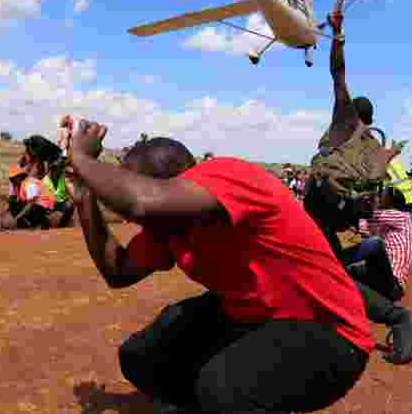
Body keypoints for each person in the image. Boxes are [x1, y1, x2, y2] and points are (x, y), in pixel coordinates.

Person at [69, 122, 371, 413]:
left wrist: (81, 158)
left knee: (224, 387)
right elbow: (118, 271)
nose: (130, 220)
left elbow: (140, 202)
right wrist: (85, 200)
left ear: (175, 184)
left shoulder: (228, 174)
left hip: (330, 337)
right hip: (253, 321)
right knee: (142, 357)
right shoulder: (168, 226)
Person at [304, 0, 412, 365]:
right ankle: (378, 305)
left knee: (325, 274)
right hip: (337, 219)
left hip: (323, 215)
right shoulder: (375, 148)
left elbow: (337, 75)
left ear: (352, 113)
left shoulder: (345, 123)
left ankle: (399, 318)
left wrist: (337, 35)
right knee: (328, 270)